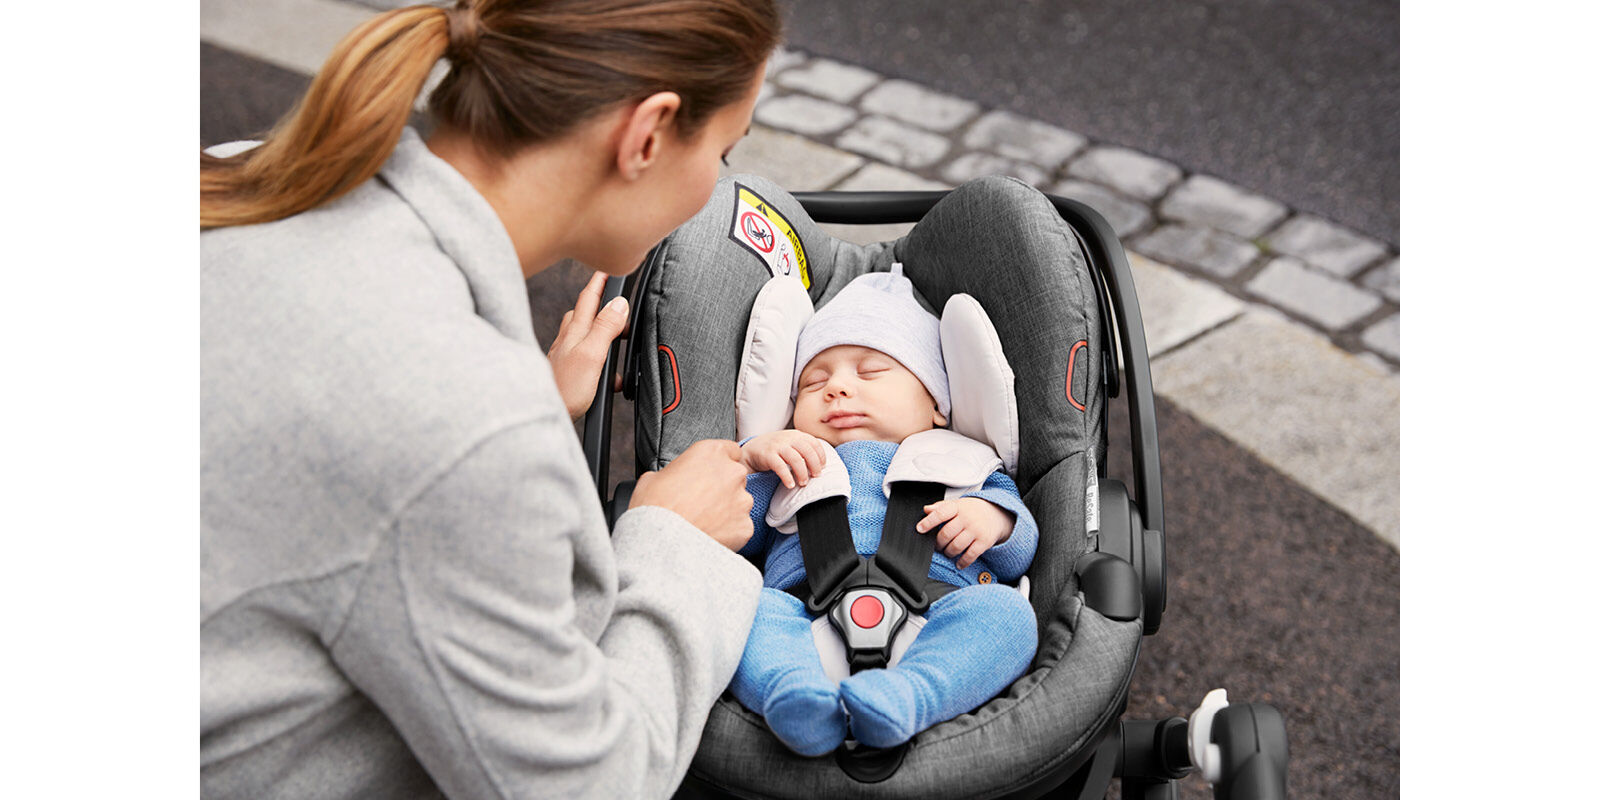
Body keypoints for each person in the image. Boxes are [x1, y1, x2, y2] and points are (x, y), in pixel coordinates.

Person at [200, 1, 781, 797]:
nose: (718, 180)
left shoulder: (242, 175)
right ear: (647, 134)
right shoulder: (460, 420)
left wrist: (529, 408)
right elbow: (589, 786)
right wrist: (673, 543)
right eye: (725, 148)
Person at [727, 271, 1040, 756]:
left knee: (1008, 616)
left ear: (937, 405)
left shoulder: (966, 461)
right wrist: (752, 456)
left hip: (939, 622)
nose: (837, 389)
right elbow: (731, 533)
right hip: (802, 621)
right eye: (814, 382)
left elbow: (1019, 551)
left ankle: (909, 696)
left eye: (870, 372)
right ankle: (791, 694)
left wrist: (994, 523)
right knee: (739, 606)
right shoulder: (789, 461)